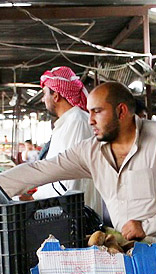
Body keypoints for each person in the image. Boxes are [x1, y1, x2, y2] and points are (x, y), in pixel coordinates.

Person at [0, 82, 156, 245]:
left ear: (121, 111)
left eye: (97, 112)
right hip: (129, 247)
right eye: (89, 112)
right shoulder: (91, 150)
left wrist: (148, 226)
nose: (91, 120)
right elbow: (40, 170)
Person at [33, 66, 101, 215]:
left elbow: (69, 179)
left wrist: (37, 199)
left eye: (45, 94)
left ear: (56, 96)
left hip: (77, 214)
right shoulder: (66, 123)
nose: (44, 99)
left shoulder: (77, 122)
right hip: (63, 210)